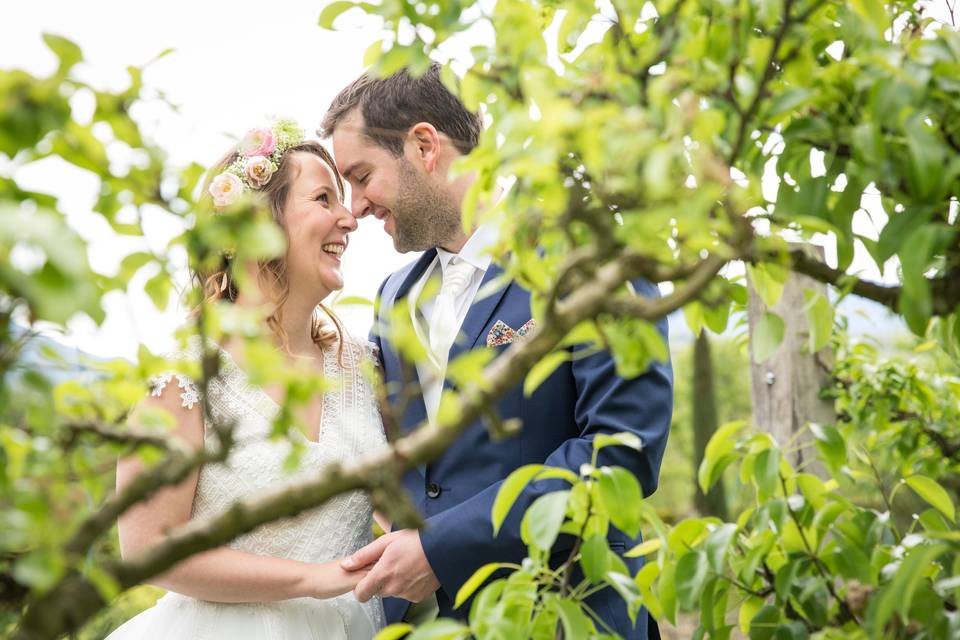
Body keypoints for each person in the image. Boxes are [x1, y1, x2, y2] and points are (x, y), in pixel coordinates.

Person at [321, 66, 673, 639]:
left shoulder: (590, 263)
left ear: (424, 146)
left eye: (362, 177)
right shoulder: (393, 297)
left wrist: (440, 549)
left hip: (568, 614)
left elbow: (620, 458)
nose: (355, 208)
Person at [106, 121, 386, 639]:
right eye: (324, 198)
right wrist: (312, 578)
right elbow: (147, 548)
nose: (349, 218)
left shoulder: (363, 368)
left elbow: (404, 498)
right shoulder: (185, 377)